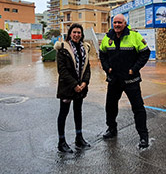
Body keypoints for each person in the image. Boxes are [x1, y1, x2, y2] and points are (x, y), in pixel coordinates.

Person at [99, 14, 150, 149]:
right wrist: (107, 68)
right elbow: (102, 54)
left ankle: (143, 136)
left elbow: (145, 52)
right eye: (115, 22)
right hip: (114, 79)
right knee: (110, 106)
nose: (117, 25)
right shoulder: (107, 37)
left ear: (125, 23)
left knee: (138, 108)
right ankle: (111, 129)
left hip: (130, 80)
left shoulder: (134, 36)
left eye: (119, 22)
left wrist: (134, 69)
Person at [54, 23, 91, 153]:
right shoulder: (62, 48)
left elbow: (87, 67)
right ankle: (61, 141)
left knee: (78, 112)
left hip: (80, 88)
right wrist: (74, 84)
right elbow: (62, 70)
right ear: (70, 33)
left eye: (79, 32)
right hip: (67, 87)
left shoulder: (85, 48)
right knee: (63, 114)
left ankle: (79, 137)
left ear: (82, 34)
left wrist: (84, 83)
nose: (76, 35)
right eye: (74, 32)